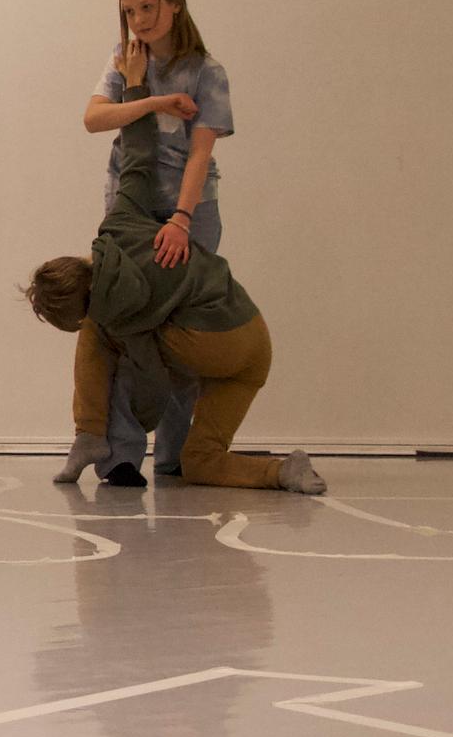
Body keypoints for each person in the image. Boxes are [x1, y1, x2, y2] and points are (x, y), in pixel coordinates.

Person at [30, 28, 323, 496]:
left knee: (110, 344)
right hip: (253, 339)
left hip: (209, 343)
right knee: (198, 459)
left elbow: (148, 389)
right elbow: (139, 159)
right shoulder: (123, 225)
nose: (137, 20)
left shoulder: (120, 322)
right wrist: (144, 94)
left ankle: (93, 439)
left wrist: (108, 416)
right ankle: (277, 472)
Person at [81, 0, 232, 485]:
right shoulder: (124, 63)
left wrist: (183, 219)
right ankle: (122, 456)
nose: (139, 20)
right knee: (125, 328)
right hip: (130, 210)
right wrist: (148, 93)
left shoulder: (207, 72)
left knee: (183, 334)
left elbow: (199, 154)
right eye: (129, 11)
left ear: (174, 3)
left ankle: (174, 454)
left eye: (147, 7)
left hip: (188, 212)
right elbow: (94, 119)